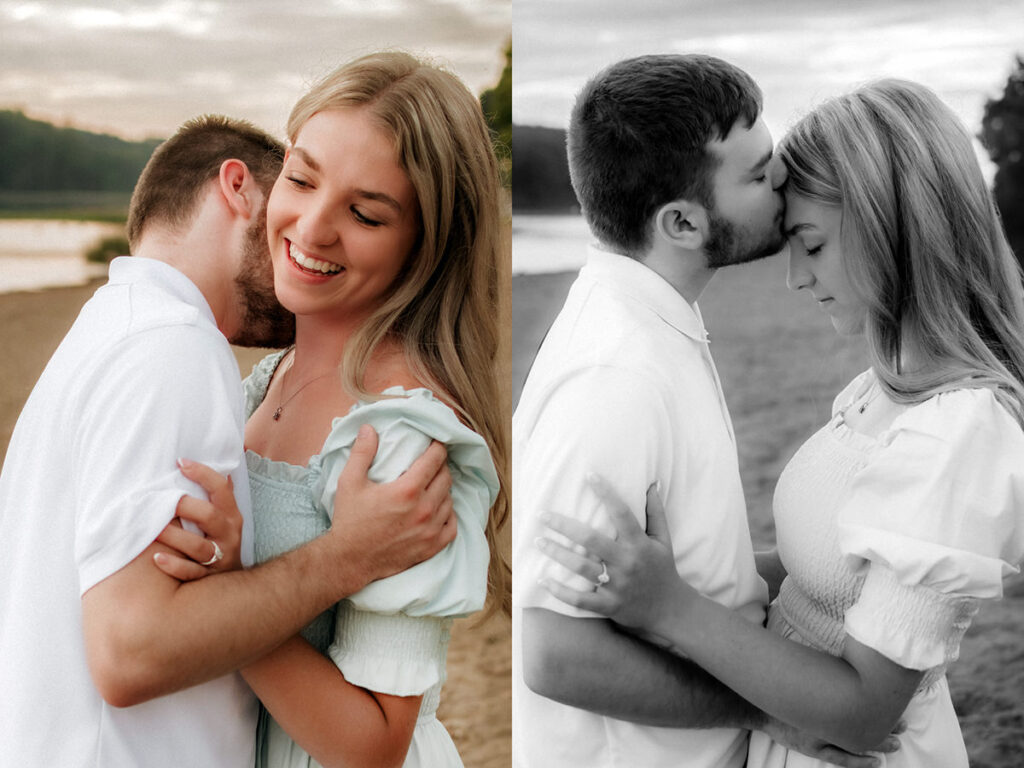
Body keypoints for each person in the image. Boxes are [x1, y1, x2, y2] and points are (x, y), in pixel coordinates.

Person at [538, 79, 1024, 768]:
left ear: (894, 232)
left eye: (813, 244)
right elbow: (827, 577)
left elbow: (863, 713)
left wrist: (671, 605)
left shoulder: (959, 434)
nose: (795, 277)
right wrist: (672, 575)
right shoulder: (884, 389)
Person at [0, 115, 458, 767]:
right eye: (295, 191)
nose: (301, 241)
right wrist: (346, 555)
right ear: (238, 189)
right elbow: (131, 654)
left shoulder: (105, 334)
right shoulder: (173, 348)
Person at [512, 54, 890, 768]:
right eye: (755, 175)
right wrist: (770, 709)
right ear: (683, 222)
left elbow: (695, 569)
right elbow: (555, 654)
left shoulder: (654, 324)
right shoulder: (616, 375)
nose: (781, 180)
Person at [156, 51, 510, 768]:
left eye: (365, 213)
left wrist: (225, 599)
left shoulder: (402, 436)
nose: (312, 228)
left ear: (427, 245)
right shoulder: (269, 376)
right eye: (301, 178)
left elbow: (373, 746)